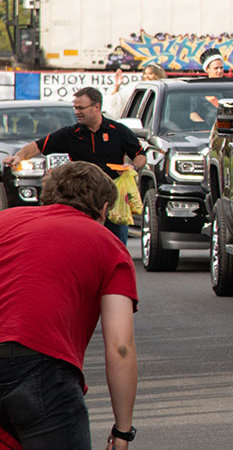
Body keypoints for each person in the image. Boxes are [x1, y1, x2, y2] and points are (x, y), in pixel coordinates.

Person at [0, 161, 138, 450]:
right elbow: (120, 346)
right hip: (39, 363)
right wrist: (123, 431)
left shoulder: (5, 222)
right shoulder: (108, 245)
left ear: (45, 196)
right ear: (103, 209)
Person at [2, 87, 147, 246]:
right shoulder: (70, 134)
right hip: (82, 198)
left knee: (117, 243)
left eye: (80, 108)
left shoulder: (118, 131)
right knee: (85, 241)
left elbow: (140, 156)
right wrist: (19, 157)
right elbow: (38, 146)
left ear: (96, 107)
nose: (76, 112)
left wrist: (133, 167)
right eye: (75, 108)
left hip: (114, 196)